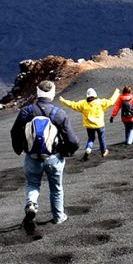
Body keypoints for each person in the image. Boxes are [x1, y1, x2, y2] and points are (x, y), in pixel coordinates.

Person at [10, 81, 80, 225]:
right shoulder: (59, 114)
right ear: (53, 93)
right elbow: (72, 141)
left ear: (37, 92)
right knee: (56, 189)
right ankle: (58, 217)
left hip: (32, 157)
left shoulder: (26, 111)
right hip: (54, 158)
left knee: (32, 184)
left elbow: (14, 132)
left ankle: (31, 204)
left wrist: (19, 149)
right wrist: (68, 151)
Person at [60, 86, 120, 160]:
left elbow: (73, 104)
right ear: (95, 95)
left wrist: (63, 101)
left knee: (91, 138)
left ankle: (88, 148)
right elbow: (111, 102)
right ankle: (104, 151)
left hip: (89, 126)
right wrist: (116, 93)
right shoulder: (100, 102)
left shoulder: (83, 104)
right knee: (101, 138)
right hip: (99, 125)